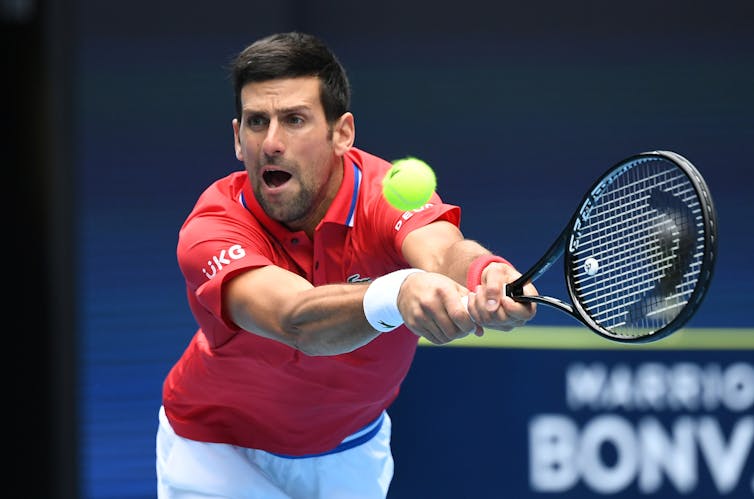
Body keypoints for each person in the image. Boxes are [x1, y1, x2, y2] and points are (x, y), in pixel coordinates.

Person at [156, 31, 537, 499]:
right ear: (237, 139)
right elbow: (294, 320)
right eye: (257, 123)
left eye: (294, 120)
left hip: (349, 448)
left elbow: (442, 253)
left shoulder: (386, 192)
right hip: (218, 450)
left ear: (342, 133)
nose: (271, 143)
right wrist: (396, 293)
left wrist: (486, 273)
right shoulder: (213, 226)